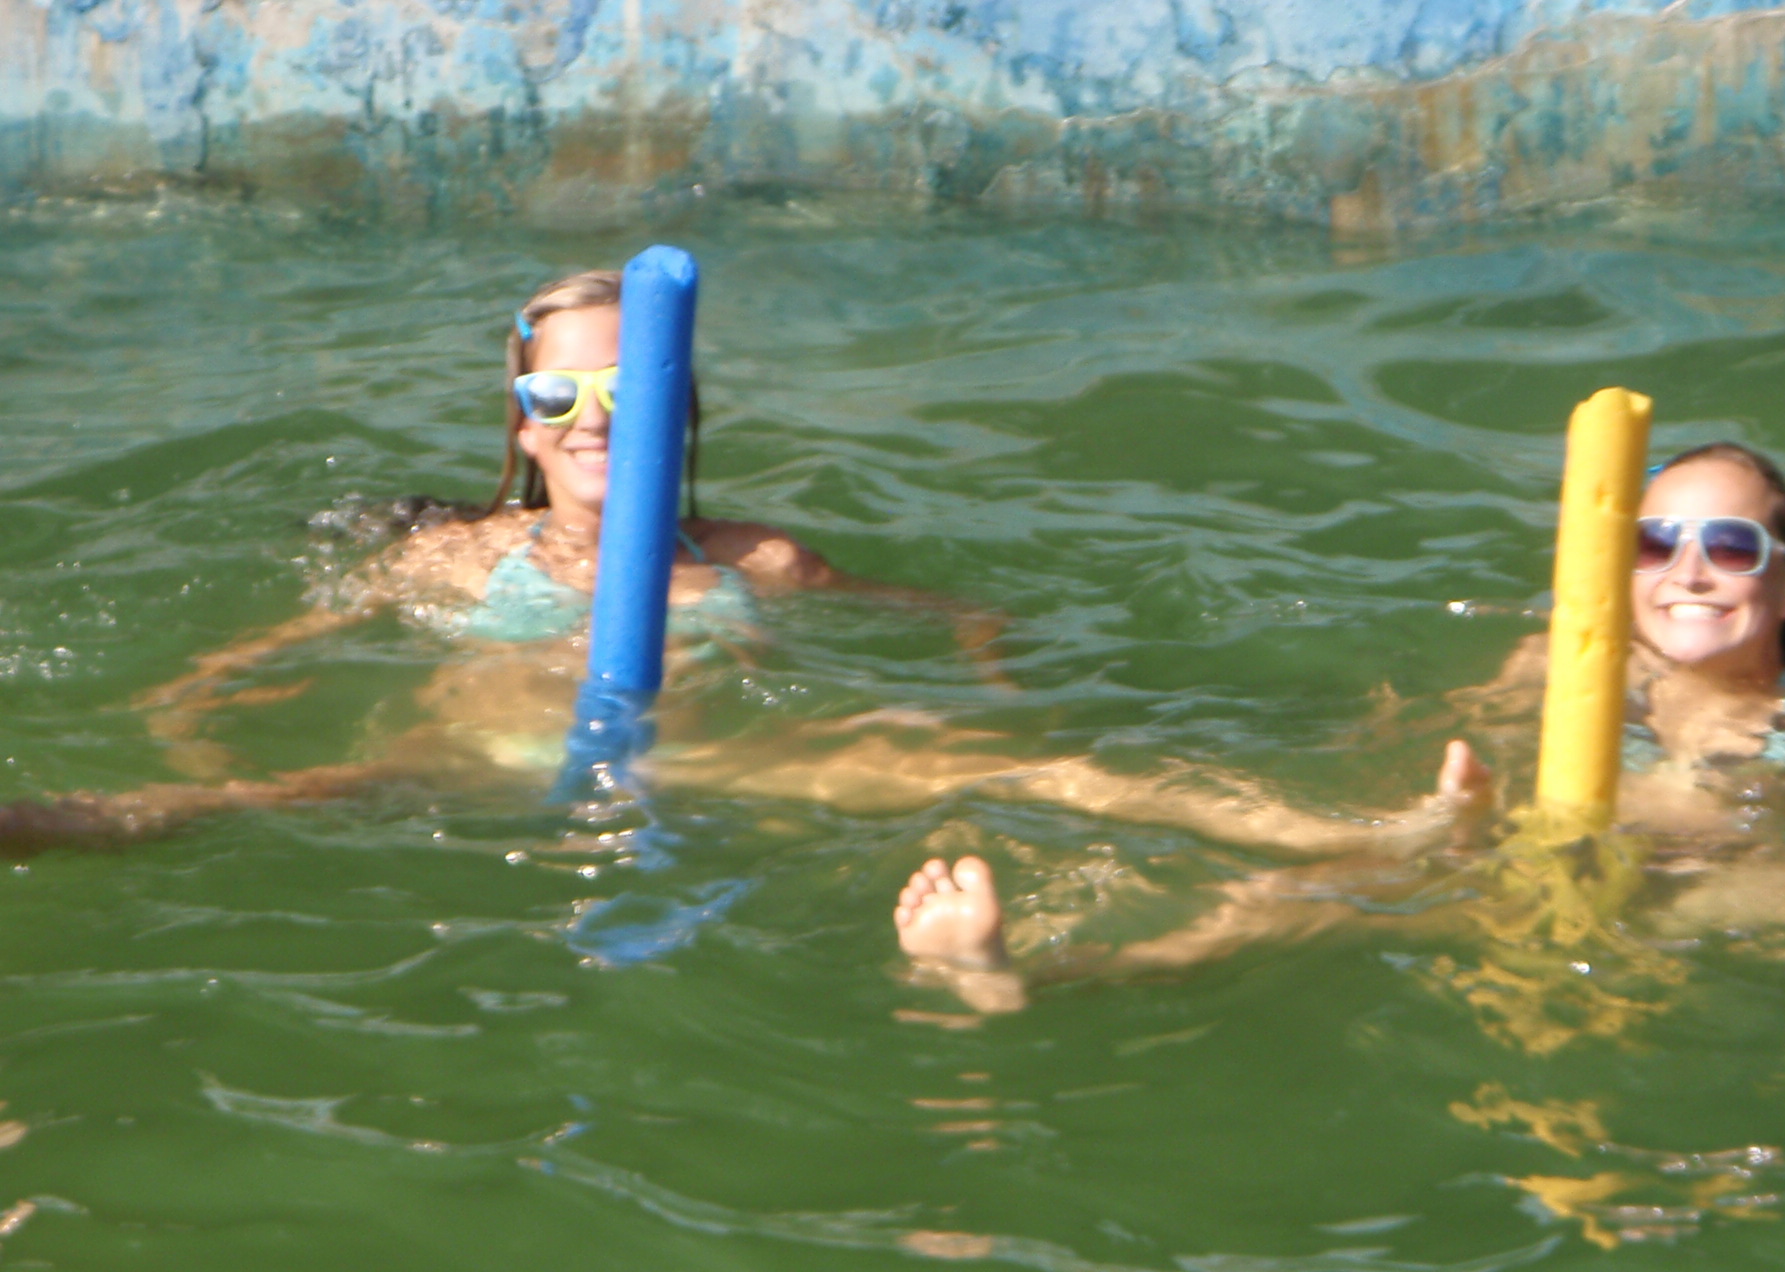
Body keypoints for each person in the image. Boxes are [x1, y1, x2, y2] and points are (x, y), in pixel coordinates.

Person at [0, 270, 1461, 859]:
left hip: (720, 764)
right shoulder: (452, 557)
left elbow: (956, 608)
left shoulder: (759, 556)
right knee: (247, 802)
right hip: (472, 761)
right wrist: (201, 711)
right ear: (518, 421)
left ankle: (1360, 837)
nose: (589, 420)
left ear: (679, 412)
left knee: (1047, 774)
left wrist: (992, 676)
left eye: (623, 393)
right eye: (557, 395)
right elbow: (263, 654)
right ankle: (42, 826)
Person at [890, 443, 1785, 1061]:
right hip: (1503, 867)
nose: (1688, 568)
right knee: (1277, 895)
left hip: (1692, 890)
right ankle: (1020, 978)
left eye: (1730, 546)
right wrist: (1441, 802)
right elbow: (1430, 742)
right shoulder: (1554, 666)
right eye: (1654, 542)